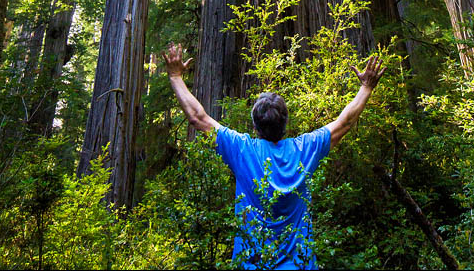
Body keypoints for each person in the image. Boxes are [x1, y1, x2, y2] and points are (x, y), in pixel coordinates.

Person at [162, 42, 385, 271]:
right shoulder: (305, 149)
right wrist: (366, 87)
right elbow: (344, 122)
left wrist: (176, 76)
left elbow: (198, 118)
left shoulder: (242, 150)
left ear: (255, 125)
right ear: (286, 122)